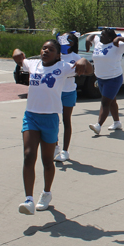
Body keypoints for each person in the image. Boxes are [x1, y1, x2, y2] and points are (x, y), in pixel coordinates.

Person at [12, 40, 92, 215]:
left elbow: (89, 70)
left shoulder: (64, 67)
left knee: (47, 162)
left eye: (51, 49)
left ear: (58, 55)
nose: (46, 51)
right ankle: (29, 200)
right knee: (28, 156)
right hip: (31, 116)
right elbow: (18, 55)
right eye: (44, 48)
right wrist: (17, 53)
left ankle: (46, 193)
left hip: (50, 119)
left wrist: (84, 61)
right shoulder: (32, 64)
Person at [86, 28, 124, 135]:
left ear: (109, 37)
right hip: (100, 78)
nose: (100, 36)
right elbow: (92, 36)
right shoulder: (98, 42)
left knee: (105, 102)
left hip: (113, 78)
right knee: (112, 101)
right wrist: (87, 40)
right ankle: (117, 122)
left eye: (103, 35)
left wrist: (119, 38)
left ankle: (98, 125)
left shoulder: (117, 46)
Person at [54, 32, 83, 162]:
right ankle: (55, 146)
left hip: (69, 91)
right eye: (63, 39)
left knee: (66, 120)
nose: (66, 41)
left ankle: (65, 150)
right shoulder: (55, 55)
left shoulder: (76, 57)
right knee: (54, 120)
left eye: (69, 39)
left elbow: (82, 71)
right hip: (55, 91)